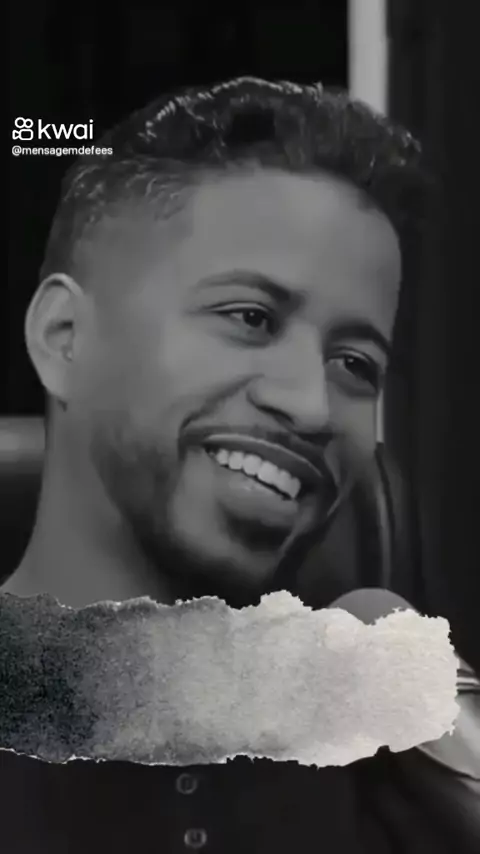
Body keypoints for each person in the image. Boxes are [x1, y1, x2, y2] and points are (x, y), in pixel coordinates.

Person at [1, 76, 478, 853]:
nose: (313, 406)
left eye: (355, 364)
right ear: (66, 339)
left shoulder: (383, 742)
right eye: (250, 317)